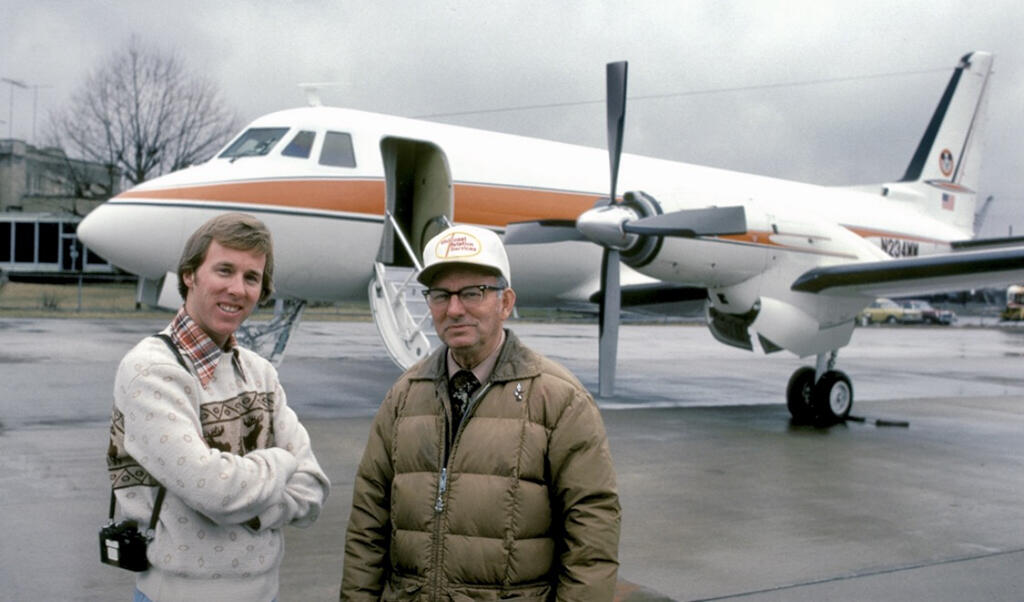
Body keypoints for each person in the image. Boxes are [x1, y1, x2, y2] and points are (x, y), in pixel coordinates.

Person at [341, 225, 620, 601]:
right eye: (440, 295)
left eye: (473, 292)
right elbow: (367, 528)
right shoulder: (403, 398)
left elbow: (591, 537)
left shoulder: (560, 400)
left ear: (505, 303)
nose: (454, 309)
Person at [105, 212, 330, 602]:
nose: (237, 289)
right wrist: (280, 462)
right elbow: (216, 491)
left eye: (251, 277)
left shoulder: (261, 373)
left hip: (265, 593)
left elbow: (312, 490)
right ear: (190, 275)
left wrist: (245, 503)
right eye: (224, 270)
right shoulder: (151, 371)